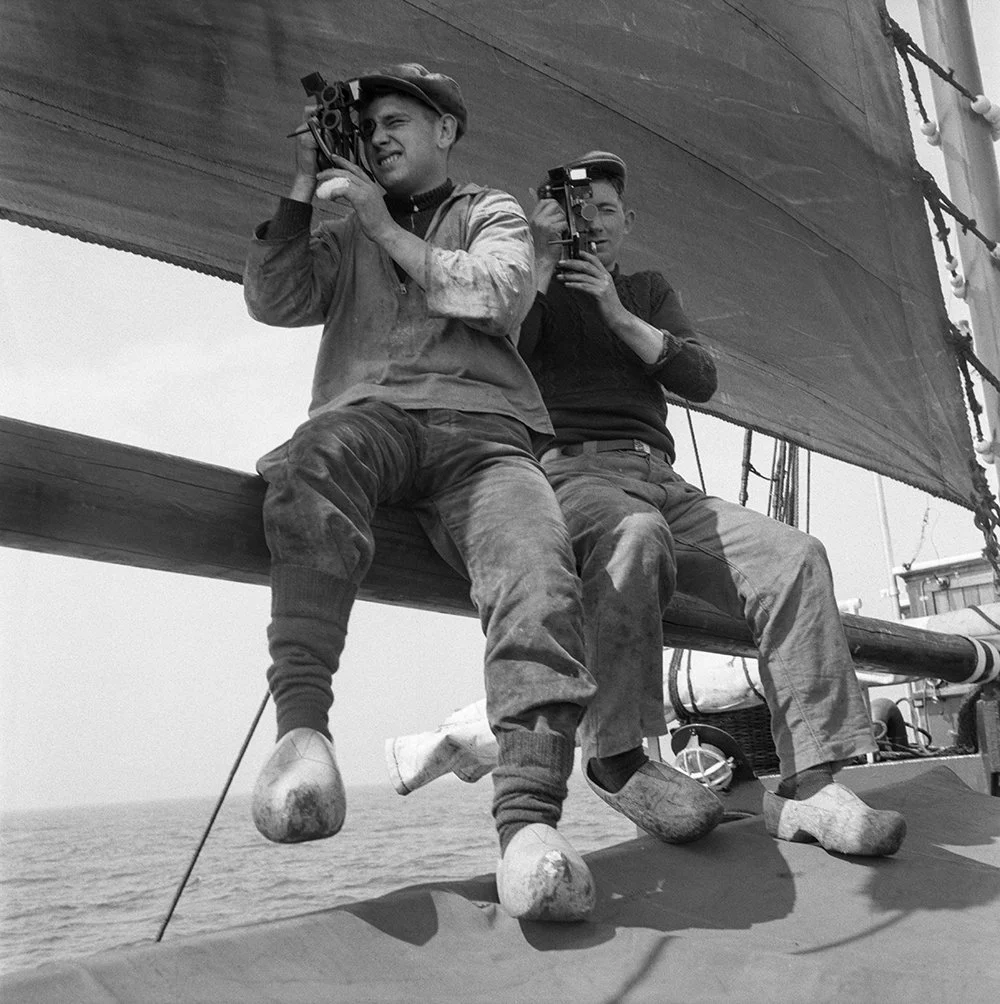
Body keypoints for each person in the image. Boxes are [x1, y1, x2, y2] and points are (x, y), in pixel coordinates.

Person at [242, 65, 604, 922]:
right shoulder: (341, 227)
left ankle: (527, 825)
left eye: (398, 120)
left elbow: (500, 292)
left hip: (482, 437)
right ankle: (303, 734)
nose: (380, 138)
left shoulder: (492, 213)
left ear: (446, 129)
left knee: (538, 567)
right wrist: (303, 192)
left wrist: (384, 229)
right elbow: (274, 298)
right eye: (368, 128)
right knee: (309, 463)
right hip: (368, 419)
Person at [519, 150, 906, 857]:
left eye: (606, 211)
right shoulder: (529, 288)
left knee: (794, 557)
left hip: (666, 482)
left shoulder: (646, 290)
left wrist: (614, 309)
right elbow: (501, 356)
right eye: (578, 212)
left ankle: (810, 787)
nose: (593, 223)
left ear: (628, 222)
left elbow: (698, 376)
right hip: (574, 477)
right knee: (632, 537)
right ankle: (616, 758)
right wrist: (541, 263)